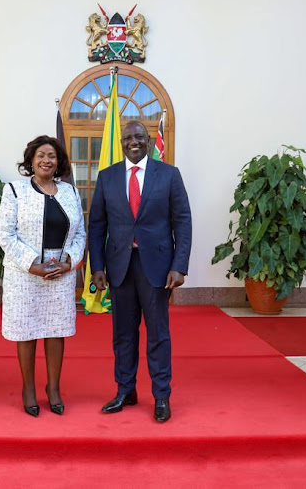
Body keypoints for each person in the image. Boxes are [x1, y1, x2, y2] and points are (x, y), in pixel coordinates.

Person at [88, 120, 192, 423]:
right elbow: (97, 225)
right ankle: (125, 390)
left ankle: (161, 395)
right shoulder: (107, 177)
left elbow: (182, 221)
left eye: (139, 137)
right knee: (122, 334)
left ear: (148, 141)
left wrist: (179, 266)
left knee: (158, 334)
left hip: (157, 267)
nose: (133, 142)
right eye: (127, 138)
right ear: (121, 143)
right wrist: (97, 267)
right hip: (119, 266)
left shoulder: (169, 175)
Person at [0, 135, 86, 417]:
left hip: (60, 272)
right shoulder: (14, 190)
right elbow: (5, 233)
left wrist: (69, 261)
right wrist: (32, 264)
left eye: (52, 156)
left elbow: (80, 232)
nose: (47, 160)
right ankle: (28, 388)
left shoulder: (70, 192)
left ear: (59, 163)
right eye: (41, 155)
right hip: (25, 275)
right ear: (31, 160)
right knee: (27, 330)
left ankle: (54, 387)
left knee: (56, 330)